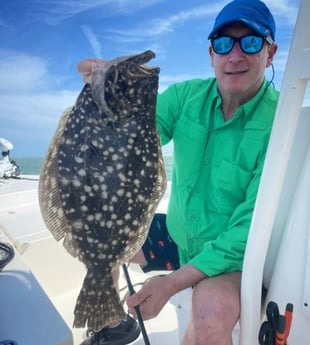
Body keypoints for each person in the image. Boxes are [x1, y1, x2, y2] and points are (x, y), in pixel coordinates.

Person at [78, 0, 279, 344]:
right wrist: (106, 94)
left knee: (209, 310)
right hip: (178, 237)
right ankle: (112, 323)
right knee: (101, 235)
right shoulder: (185, 97)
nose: (234, 55)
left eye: (249, 42)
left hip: (234, 256)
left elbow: (249, 228)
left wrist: (172, 283)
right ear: (211, 54)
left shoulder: (280, 123)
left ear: (270, 53)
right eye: (222, 43)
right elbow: (134, 136)